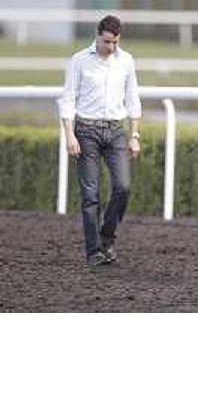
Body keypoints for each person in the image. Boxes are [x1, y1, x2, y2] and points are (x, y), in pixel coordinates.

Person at [57, 14, 142, 266]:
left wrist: (135, 134)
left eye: (115, 42)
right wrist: (69, 134)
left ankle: (107, 238)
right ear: (98, 35)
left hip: (116, 131)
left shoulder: (126, 61)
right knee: (90, 194)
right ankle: (94, 252)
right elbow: (68, 99)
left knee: (123, 187)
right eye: (107, 42)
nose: (111, 47)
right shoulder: (79, 61)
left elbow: (133, 99)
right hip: (86, 132)